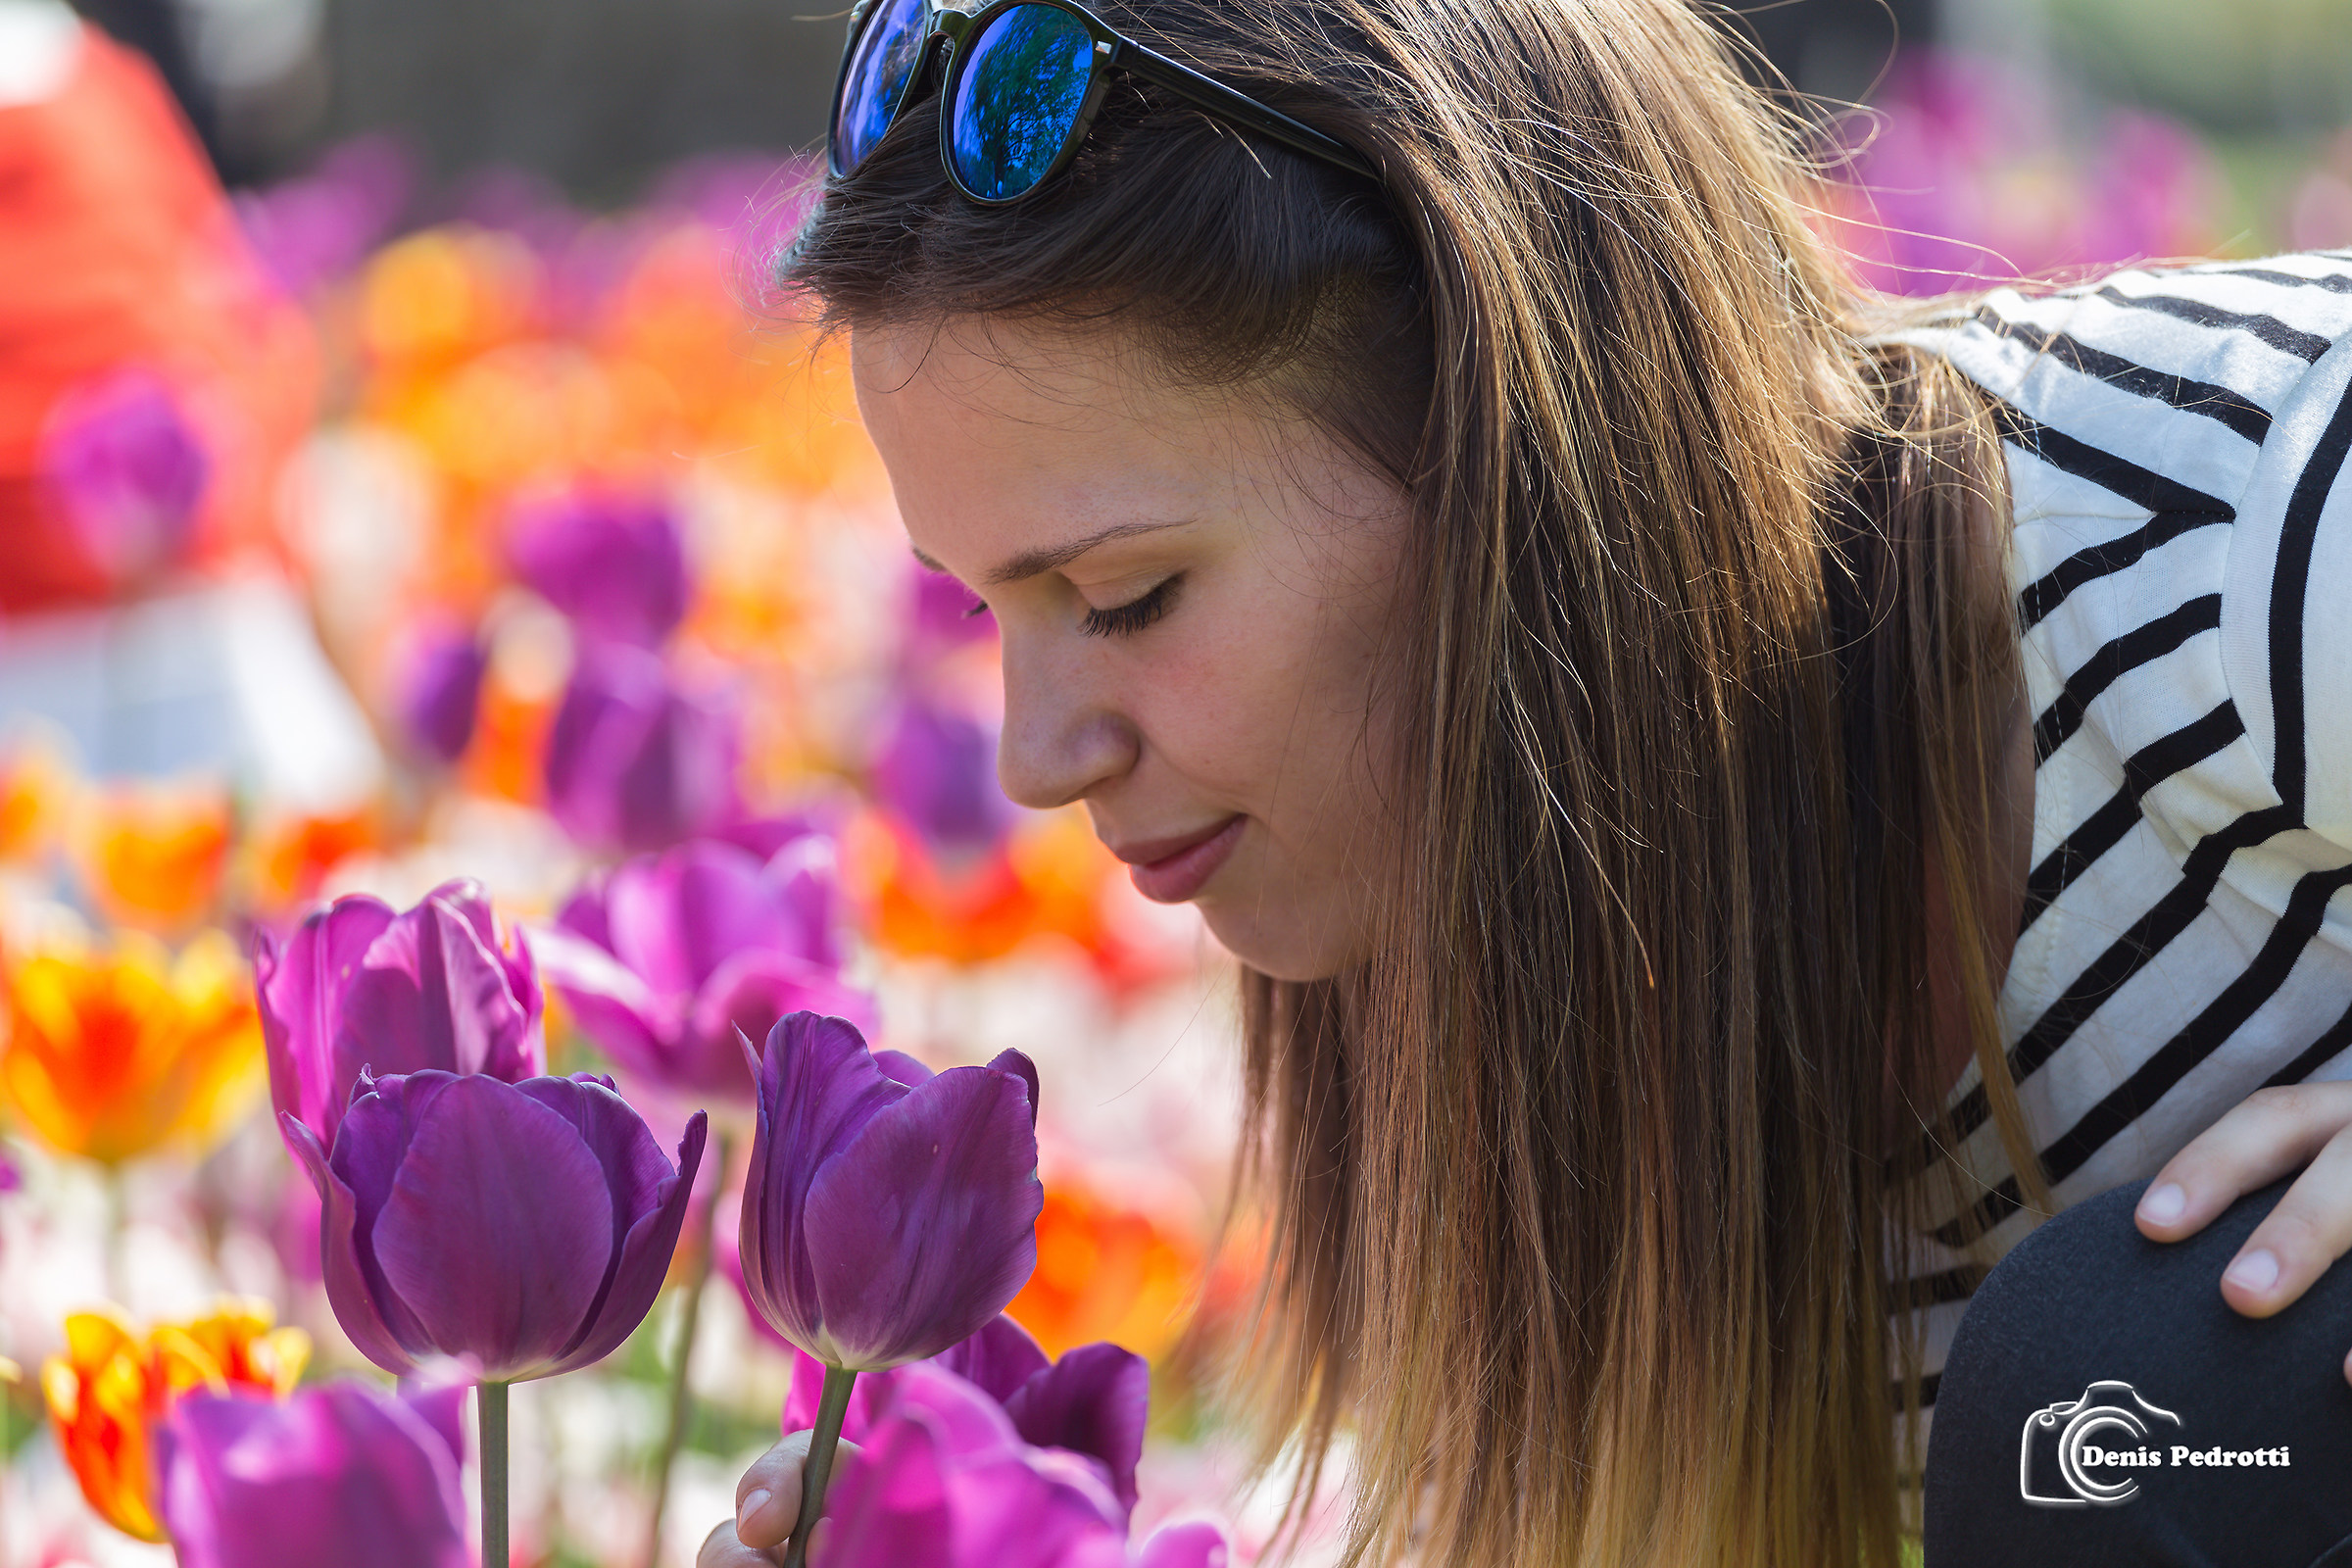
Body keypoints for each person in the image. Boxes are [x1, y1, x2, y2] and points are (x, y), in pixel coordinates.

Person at [700, 0, 2352, 1561]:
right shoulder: (1505, 976)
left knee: (2123, 1383)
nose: (1034, 758)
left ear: (1516, 465)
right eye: (984, 609)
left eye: (1127, 596)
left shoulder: (2240, 544)